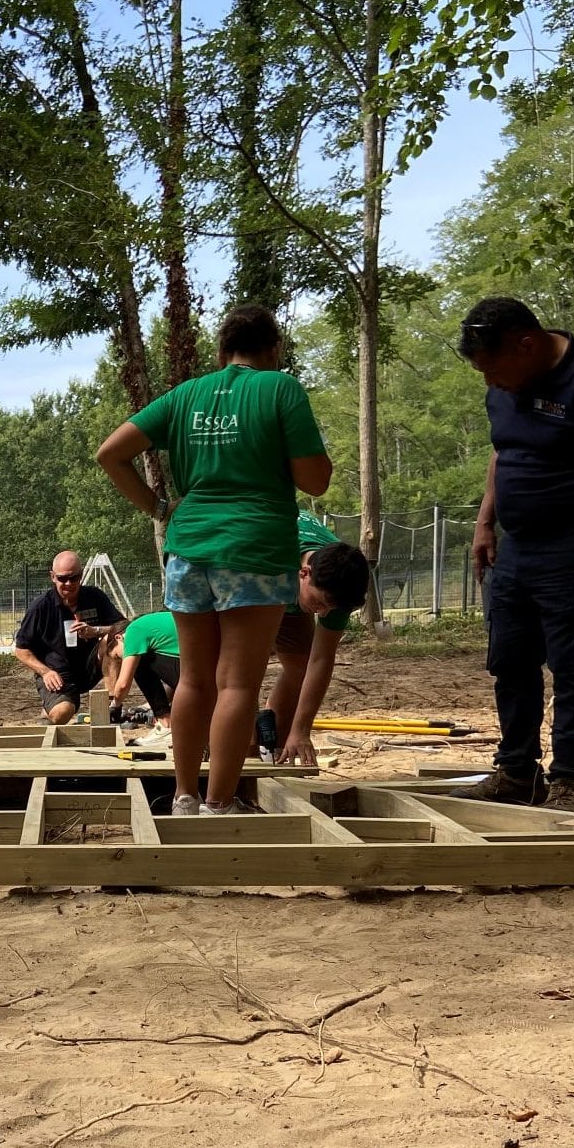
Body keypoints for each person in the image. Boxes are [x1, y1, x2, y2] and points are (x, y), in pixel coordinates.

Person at [95, 303, 333, 815]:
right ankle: (219, 802)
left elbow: (110, 453)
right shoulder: (280, 389)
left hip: (187, 549)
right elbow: (315, 481)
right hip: (254, 548)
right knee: (237, 682)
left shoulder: (186, 395)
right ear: (274, 349)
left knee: (195, 679)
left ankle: (184, 796)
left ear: (223, 352)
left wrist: (158, 507)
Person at [458, 296, 574, 809]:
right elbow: (502, 450)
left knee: (572, 666)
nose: (490, 382)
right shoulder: (504, 386)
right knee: (510, 659)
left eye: (493, 369)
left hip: (569, 548)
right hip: (516, 546)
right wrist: (485, 522)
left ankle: (571, 779)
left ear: (526, 345)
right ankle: (517, 772)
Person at [268, 514, 371, 765]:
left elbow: (321, 658)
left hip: (291, 589)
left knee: (300, 667)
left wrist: (301, 731)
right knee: (236, 677)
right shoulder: (273, 558)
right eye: (319, 603)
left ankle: (274, 749)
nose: (322, 613)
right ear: (304, 573)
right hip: (253, 580)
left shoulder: (340, 583)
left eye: (330, 608)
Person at [12, 552, 122, 722]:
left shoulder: (95, 596)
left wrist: (96, 630)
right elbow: (21, 650)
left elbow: (124, 626)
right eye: (62, 579)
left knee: (114, 641)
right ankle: (51, 707)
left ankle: (113, 708)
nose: (69, 584)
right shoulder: (40, 607)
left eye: (74, 578)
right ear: (53, 577)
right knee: (61, 714)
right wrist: (45, 672)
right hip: (58, 673)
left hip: (90, 666)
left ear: (81, 575)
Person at [107, 612, 181, 746]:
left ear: (118, 637)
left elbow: (123, 684)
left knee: (139, 662)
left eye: (117, 657)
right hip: (207, 670)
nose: (122, 660)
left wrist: (114, 706)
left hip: (194, 670)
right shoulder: (151, 625)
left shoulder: (133, 630)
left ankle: (166, 725)